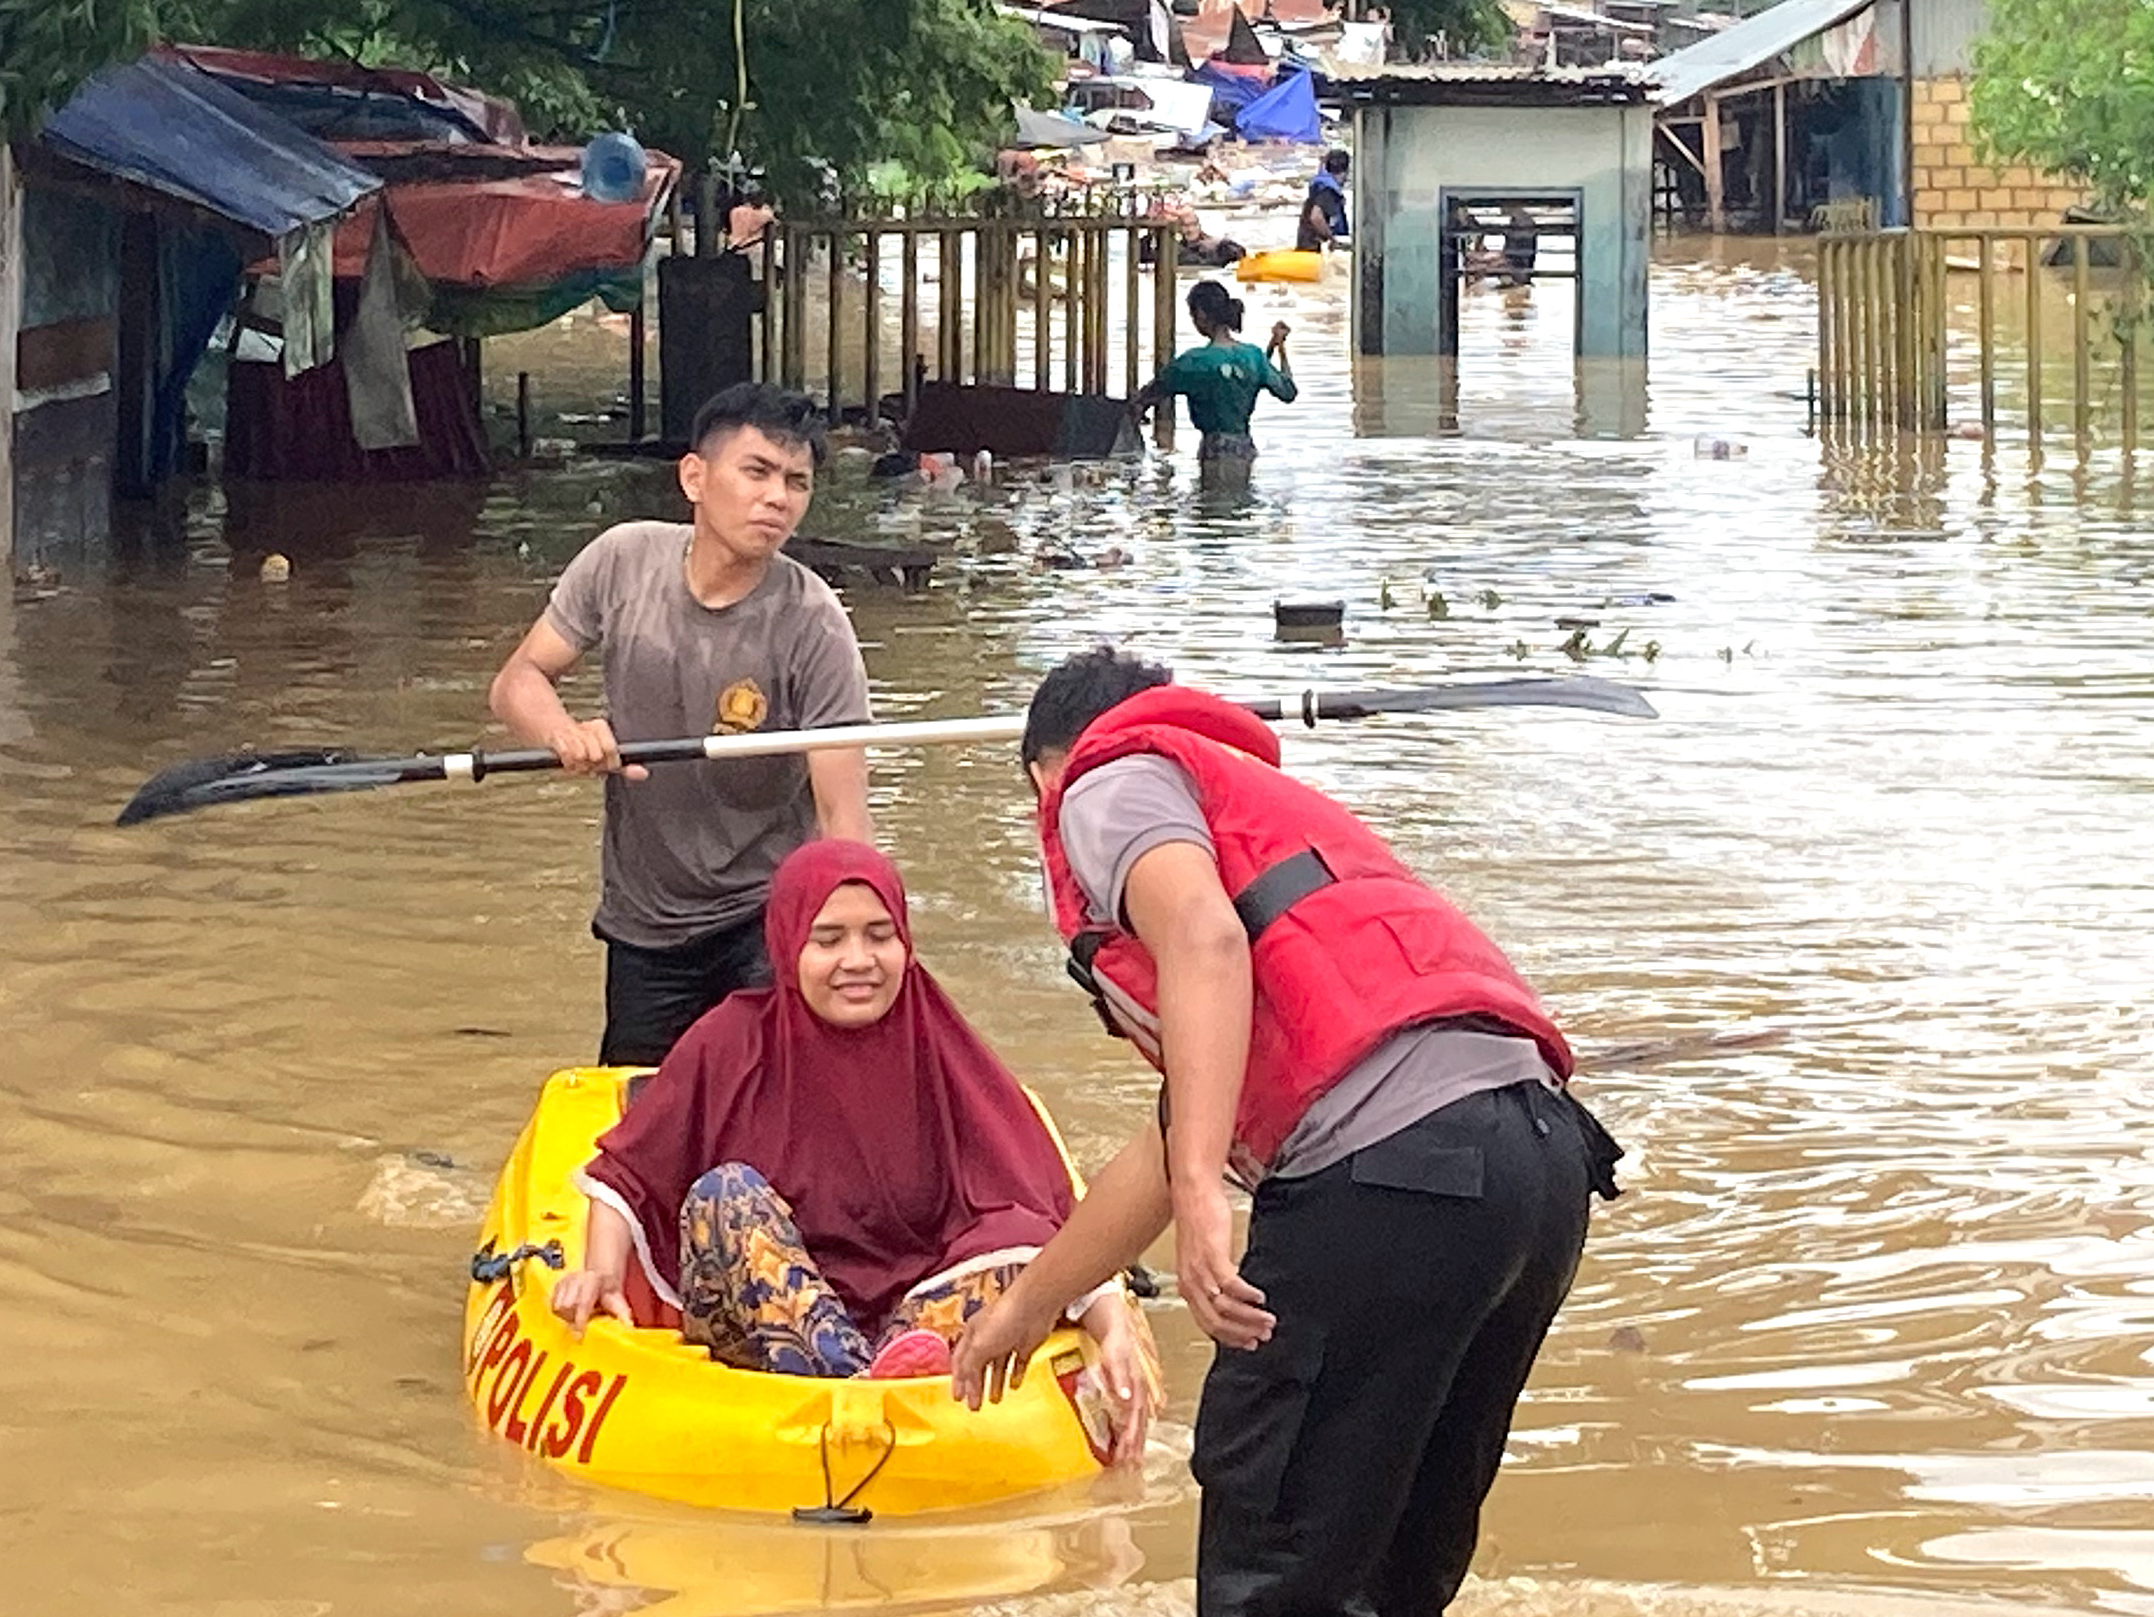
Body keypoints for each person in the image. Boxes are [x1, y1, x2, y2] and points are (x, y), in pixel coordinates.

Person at [951, 647, 1623, 1617]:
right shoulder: (1252, 810)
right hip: (1537, 1169)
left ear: (1038, 777)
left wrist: (1202, 1196)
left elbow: (1206, 939)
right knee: (1391, 1578)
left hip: (1391, 1177)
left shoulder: (1103, 780)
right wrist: (1029, 1305)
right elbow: (1171, 1138)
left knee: (1272, 1572)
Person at [549, 840, 1154, 1447]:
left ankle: (881, 1375)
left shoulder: (942, 1047)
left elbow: (1047, 1210)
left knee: (1015, 1238)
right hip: (763, 1318)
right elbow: (626, 1175)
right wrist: (599, 1273)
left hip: (911, 1321)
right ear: (788, 946)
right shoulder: (727, 1042)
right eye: (829, 940)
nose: (858, 960)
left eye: (879, 936)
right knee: (724, 1196)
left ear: (906, 944)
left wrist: (1112, 1327)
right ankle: (861, 1382)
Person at [489, 383, 874, 1068]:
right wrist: (564, 733)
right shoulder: (620, 561)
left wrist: (857, 943)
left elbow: (844, 819)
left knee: (769, 1104)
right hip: (645, 923)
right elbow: (518, 681)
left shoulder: (814, 622)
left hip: (765, 916)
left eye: (796, 483)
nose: (777, 499)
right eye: (756, 472)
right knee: (642, 1108)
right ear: (694, 477)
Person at [1134, 281, 1296, 470]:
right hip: (1245, 450)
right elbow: (1288, 391)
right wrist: (1280, 347)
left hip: (1214, 451)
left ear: (1201, 314)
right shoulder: (1254, 356)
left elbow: (1151, 394)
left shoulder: (1193, 362)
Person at [1294, 147, 1350, 251]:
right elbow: (1316, 217)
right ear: (1345, 171)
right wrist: (1332, 239)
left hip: (1306, 244)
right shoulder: (1328, 190)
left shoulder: (1321, 183)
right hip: (1313, 248)